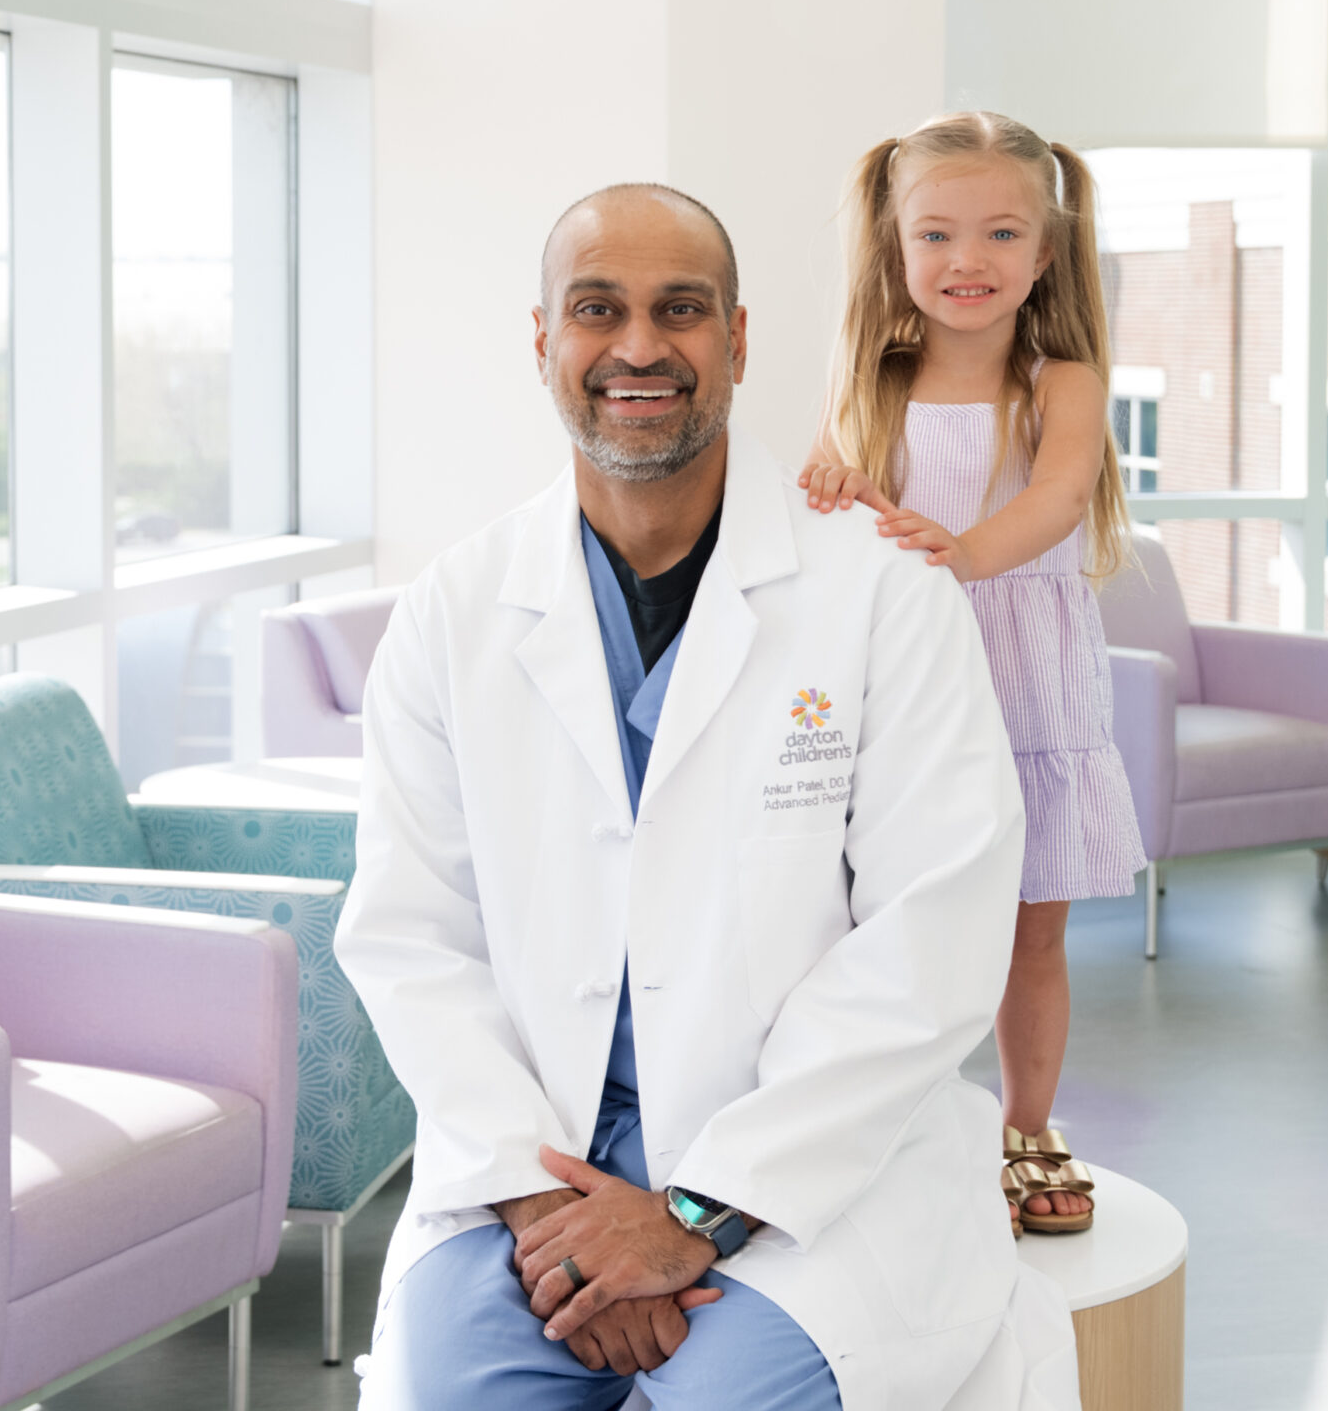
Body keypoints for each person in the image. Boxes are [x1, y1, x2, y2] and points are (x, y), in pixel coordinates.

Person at [338, 182, 1080, 1411]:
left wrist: (689, 1211)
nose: (638, 346)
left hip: (812, 1171)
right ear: (544, 343)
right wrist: (548, 1207)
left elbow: (934, 937)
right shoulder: (454, 609)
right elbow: (409, 934)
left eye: (679, 310)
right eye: (597, 310)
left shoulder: (883, 594)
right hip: (537, 1167)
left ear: (735, 340)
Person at [798, 111, 1146, 1237]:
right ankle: (891, 1126)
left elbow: (1053, 499)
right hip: (909, 684)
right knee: (891, 920)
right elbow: (826, 493)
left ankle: (1027, 1125)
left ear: (1043, 254)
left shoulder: (1065, 379)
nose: (967, 260)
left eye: (1001, 233)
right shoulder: (871, 380)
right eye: (937, 234)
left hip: (1028, 676)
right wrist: (837, 491)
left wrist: (959, 554)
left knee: (1027, 932)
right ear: (896, 249)